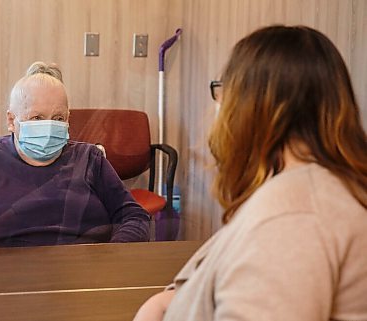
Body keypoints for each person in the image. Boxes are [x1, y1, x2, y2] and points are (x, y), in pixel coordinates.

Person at [134, 25, 367, 321]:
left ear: (249, 107)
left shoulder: (291, 218)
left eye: (223, 91)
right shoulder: (315, 191)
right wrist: (164, 302)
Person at [0, 62, 150, 250]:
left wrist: (110, 257)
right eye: (37, 118)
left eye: (58, 118)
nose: (49, 126)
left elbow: (133, 217)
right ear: (12, 121)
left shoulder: (89, 159)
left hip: (80, 275)